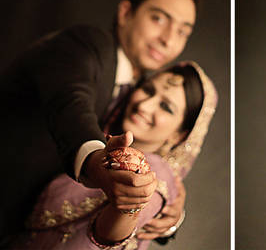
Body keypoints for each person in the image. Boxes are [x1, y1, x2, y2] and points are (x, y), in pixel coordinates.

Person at [0, 0, 200, 244]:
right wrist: (95, 161)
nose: (168, 39)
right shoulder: (87, 46)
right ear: (126, 13)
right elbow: (71, 104)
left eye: (182, 31)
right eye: (158, 19)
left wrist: (170, 211)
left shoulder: (137, 95)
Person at [11, 61, 217, 249]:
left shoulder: (156, 173)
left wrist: (129, 206)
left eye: (166, 107)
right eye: (148, 90)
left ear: (179, 135)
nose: (145, 105)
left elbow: (107, 235)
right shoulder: (94, 141)